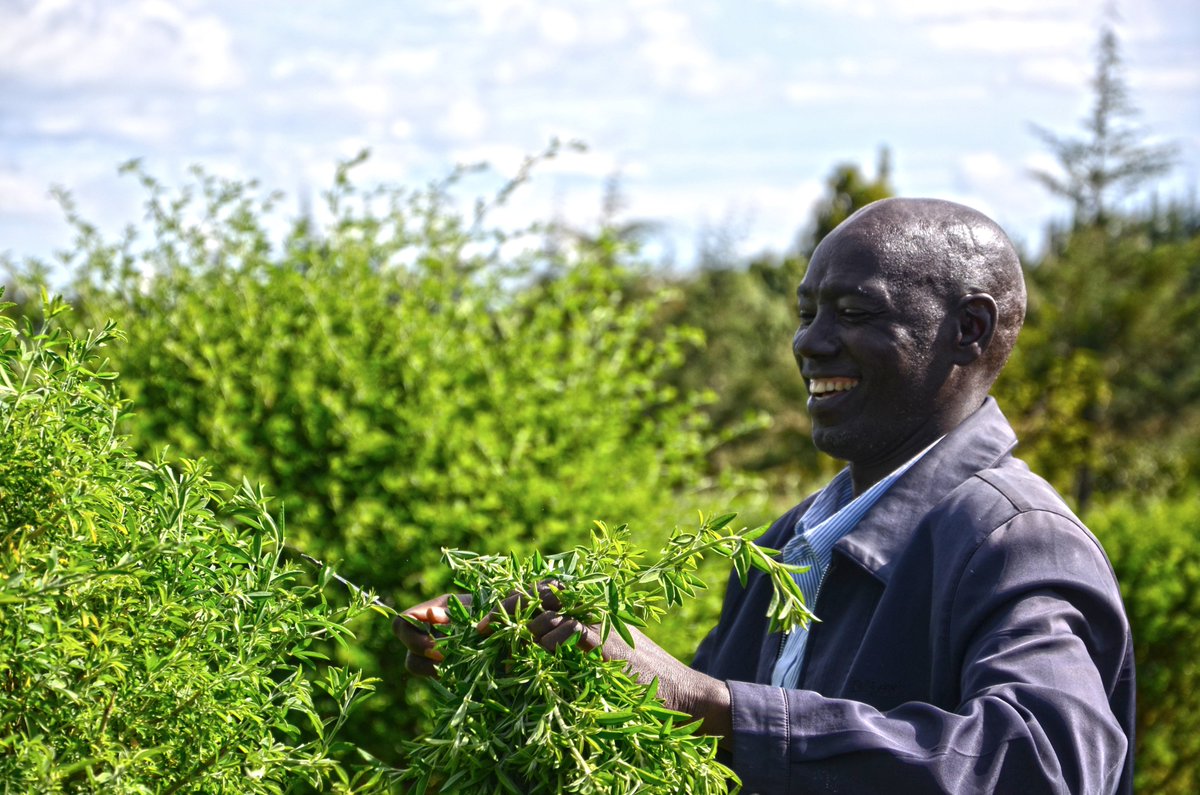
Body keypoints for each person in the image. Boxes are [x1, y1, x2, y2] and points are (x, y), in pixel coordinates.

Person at [396, 198, 1135, 794]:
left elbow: (1047, 769)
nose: (808, 343)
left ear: (968, 330)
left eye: (854, 313)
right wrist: (535, 670)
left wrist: (709, 704)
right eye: (807, 313)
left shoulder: (1016, 539)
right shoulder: (788, 543)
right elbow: (694, 755)